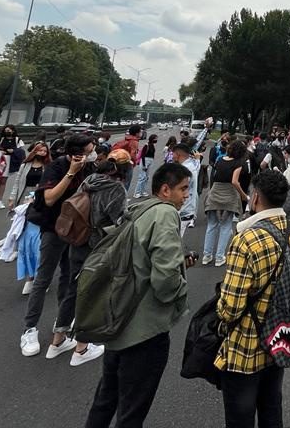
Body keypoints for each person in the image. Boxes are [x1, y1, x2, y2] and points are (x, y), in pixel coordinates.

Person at [84, 163, 194, 428]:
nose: (186, 195)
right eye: (183, 189)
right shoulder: (166, 214)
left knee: (106, 398)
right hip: (145, 329)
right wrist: (181, 292)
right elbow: (164, 279)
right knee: (132, 410)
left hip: (119, 318)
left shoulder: (140, 208)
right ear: (165, 190)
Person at [215, 171, 290, 427]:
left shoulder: (246, 239)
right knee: (271, 406)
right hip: (280, 337)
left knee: (240, 414)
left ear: (254, 198)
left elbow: (230, 308)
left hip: (247, 343)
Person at [19, 134, 104, 363]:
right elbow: (48, 199)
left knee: (69, 280)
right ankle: (29, 330)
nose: (93, 151)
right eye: (89, 149)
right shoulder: (57, 166)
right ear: (77, 152)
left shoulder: (91, 168)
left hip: (77, 233)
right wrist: (71, 173)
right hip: (54, 228)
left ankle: (61, 330)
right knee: (43, 278)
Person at [202, 139, 250, 267]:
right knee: (225, 226)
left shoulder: (220, 160)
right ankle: (219, 257)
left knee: (212, 225)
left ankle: (206, 256)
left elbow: (216, 176)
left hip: (215, 193)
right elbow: (235, 181)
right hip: (229, 195)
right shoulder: (239, 163)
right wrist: (244, 196)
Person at [0, 124, 21, 210]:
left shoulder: (17, 140)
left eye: (9, 130)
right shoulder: (0, 139)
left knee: (3, 181)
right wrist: (0, 151)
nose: (8, 132)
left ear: (13, 131)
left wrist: (13, 151)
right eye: (6, 130)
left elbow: (21, 151)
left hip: (9, 161)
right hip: (0, 160)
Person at [9, 141, 51, 208]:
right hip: (25, 193)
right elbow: (17, 182)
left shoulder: (48, 166)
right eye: (40, 150)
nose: (43, 153)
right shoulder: (24, 165)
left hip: (40, 194)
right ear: (35, 151)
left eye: (45, 151)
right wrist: (12, 197)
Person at [133, 134, 157, 199]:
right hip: (145, 161)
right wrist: (143, 165)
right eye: (155, 138)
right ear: (152, 139)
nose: (156, 140)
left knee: (146, 177)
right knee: (142, 177)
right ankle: (137, 193)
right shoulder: (146, 145)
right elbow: (143, 156)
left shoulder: (152, 145)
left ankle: (143, 191)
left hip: (150, 161)